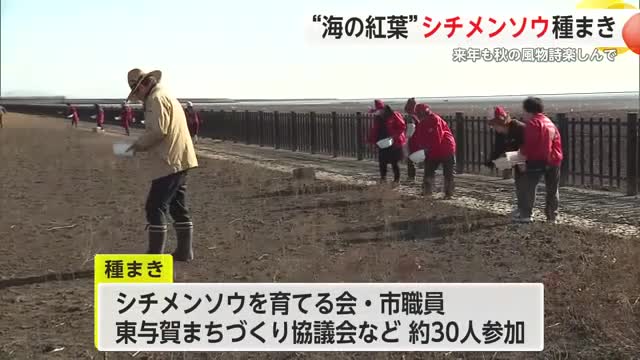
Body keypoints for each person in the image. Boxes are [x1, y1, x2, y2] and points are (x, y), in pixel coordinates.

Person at [124, 68, 199, 261]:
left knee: (155, 206)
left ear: (143, 84)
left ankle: (155, 256)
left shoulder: (155, 99)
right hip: (180, 158)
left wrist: (136, 146)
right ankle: (184, 252)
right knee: (177, 205)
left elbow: (158, 131)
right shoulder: (164, 95)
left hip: (169, 160)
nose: (138, 96)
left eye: (136, 90)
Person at [516, 97, 563, 224]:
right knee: (552, 189)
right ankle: (552, 216)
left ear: (529, 111)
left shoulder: (532, 123)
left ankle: (526, 215)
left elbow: (528, 144)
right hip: (554, 160)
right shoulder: (549, 123)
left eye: (524, 111)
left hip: (537, 160)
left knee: (529, 187)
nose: (523, 114)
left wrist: (522, 160)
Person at [484, 106, 526, 219]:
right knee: (519, 184)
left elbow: (525, 148)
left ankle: (525, 212)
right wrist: (490, 162)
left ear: (502, 122)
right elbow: (498, 148)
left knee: (525, 185)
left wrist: (513, 160)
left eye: (494, 125)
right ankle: (521, 208)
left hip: (526, 158)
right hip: (516, 158)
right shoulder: (500, 132)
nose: (493, 127)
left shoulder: (519, 128)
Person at [410, 103, 456, 199]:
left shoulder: (435, 120)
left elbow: (437, 137)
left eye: (419, 114)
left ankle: (448, 193)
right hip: (432, 150)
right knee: (429, 171)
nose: (418, 116)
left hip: (446, 148)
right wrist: (415, 150)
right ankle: (427, 191)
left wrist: (426, 149)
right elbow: (418, 138)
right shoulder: (421, 123)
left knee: (448, 172)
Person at [367, 99, 407, 184]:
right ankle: (383, 178)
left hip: (394, 142)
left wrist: (394, 136)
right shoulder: (378, 118)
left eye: (379, 111)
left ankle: (396, 180)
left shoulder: (394, 115)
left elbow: (402, 127)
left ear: (383, 109)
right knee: (382, 161)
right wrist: (372, 141)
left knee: (394, 162)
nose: (378, 113)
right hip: (382, 141)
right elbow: (375, 130)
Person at [404, 97, 418, 181]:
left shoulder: (410, 117)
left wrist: (407, 137)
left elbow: (411, 127)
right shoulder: (417, 116)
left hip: (413, 140)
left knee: (410, 158)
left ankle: (411, 176)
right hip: (418, 138)